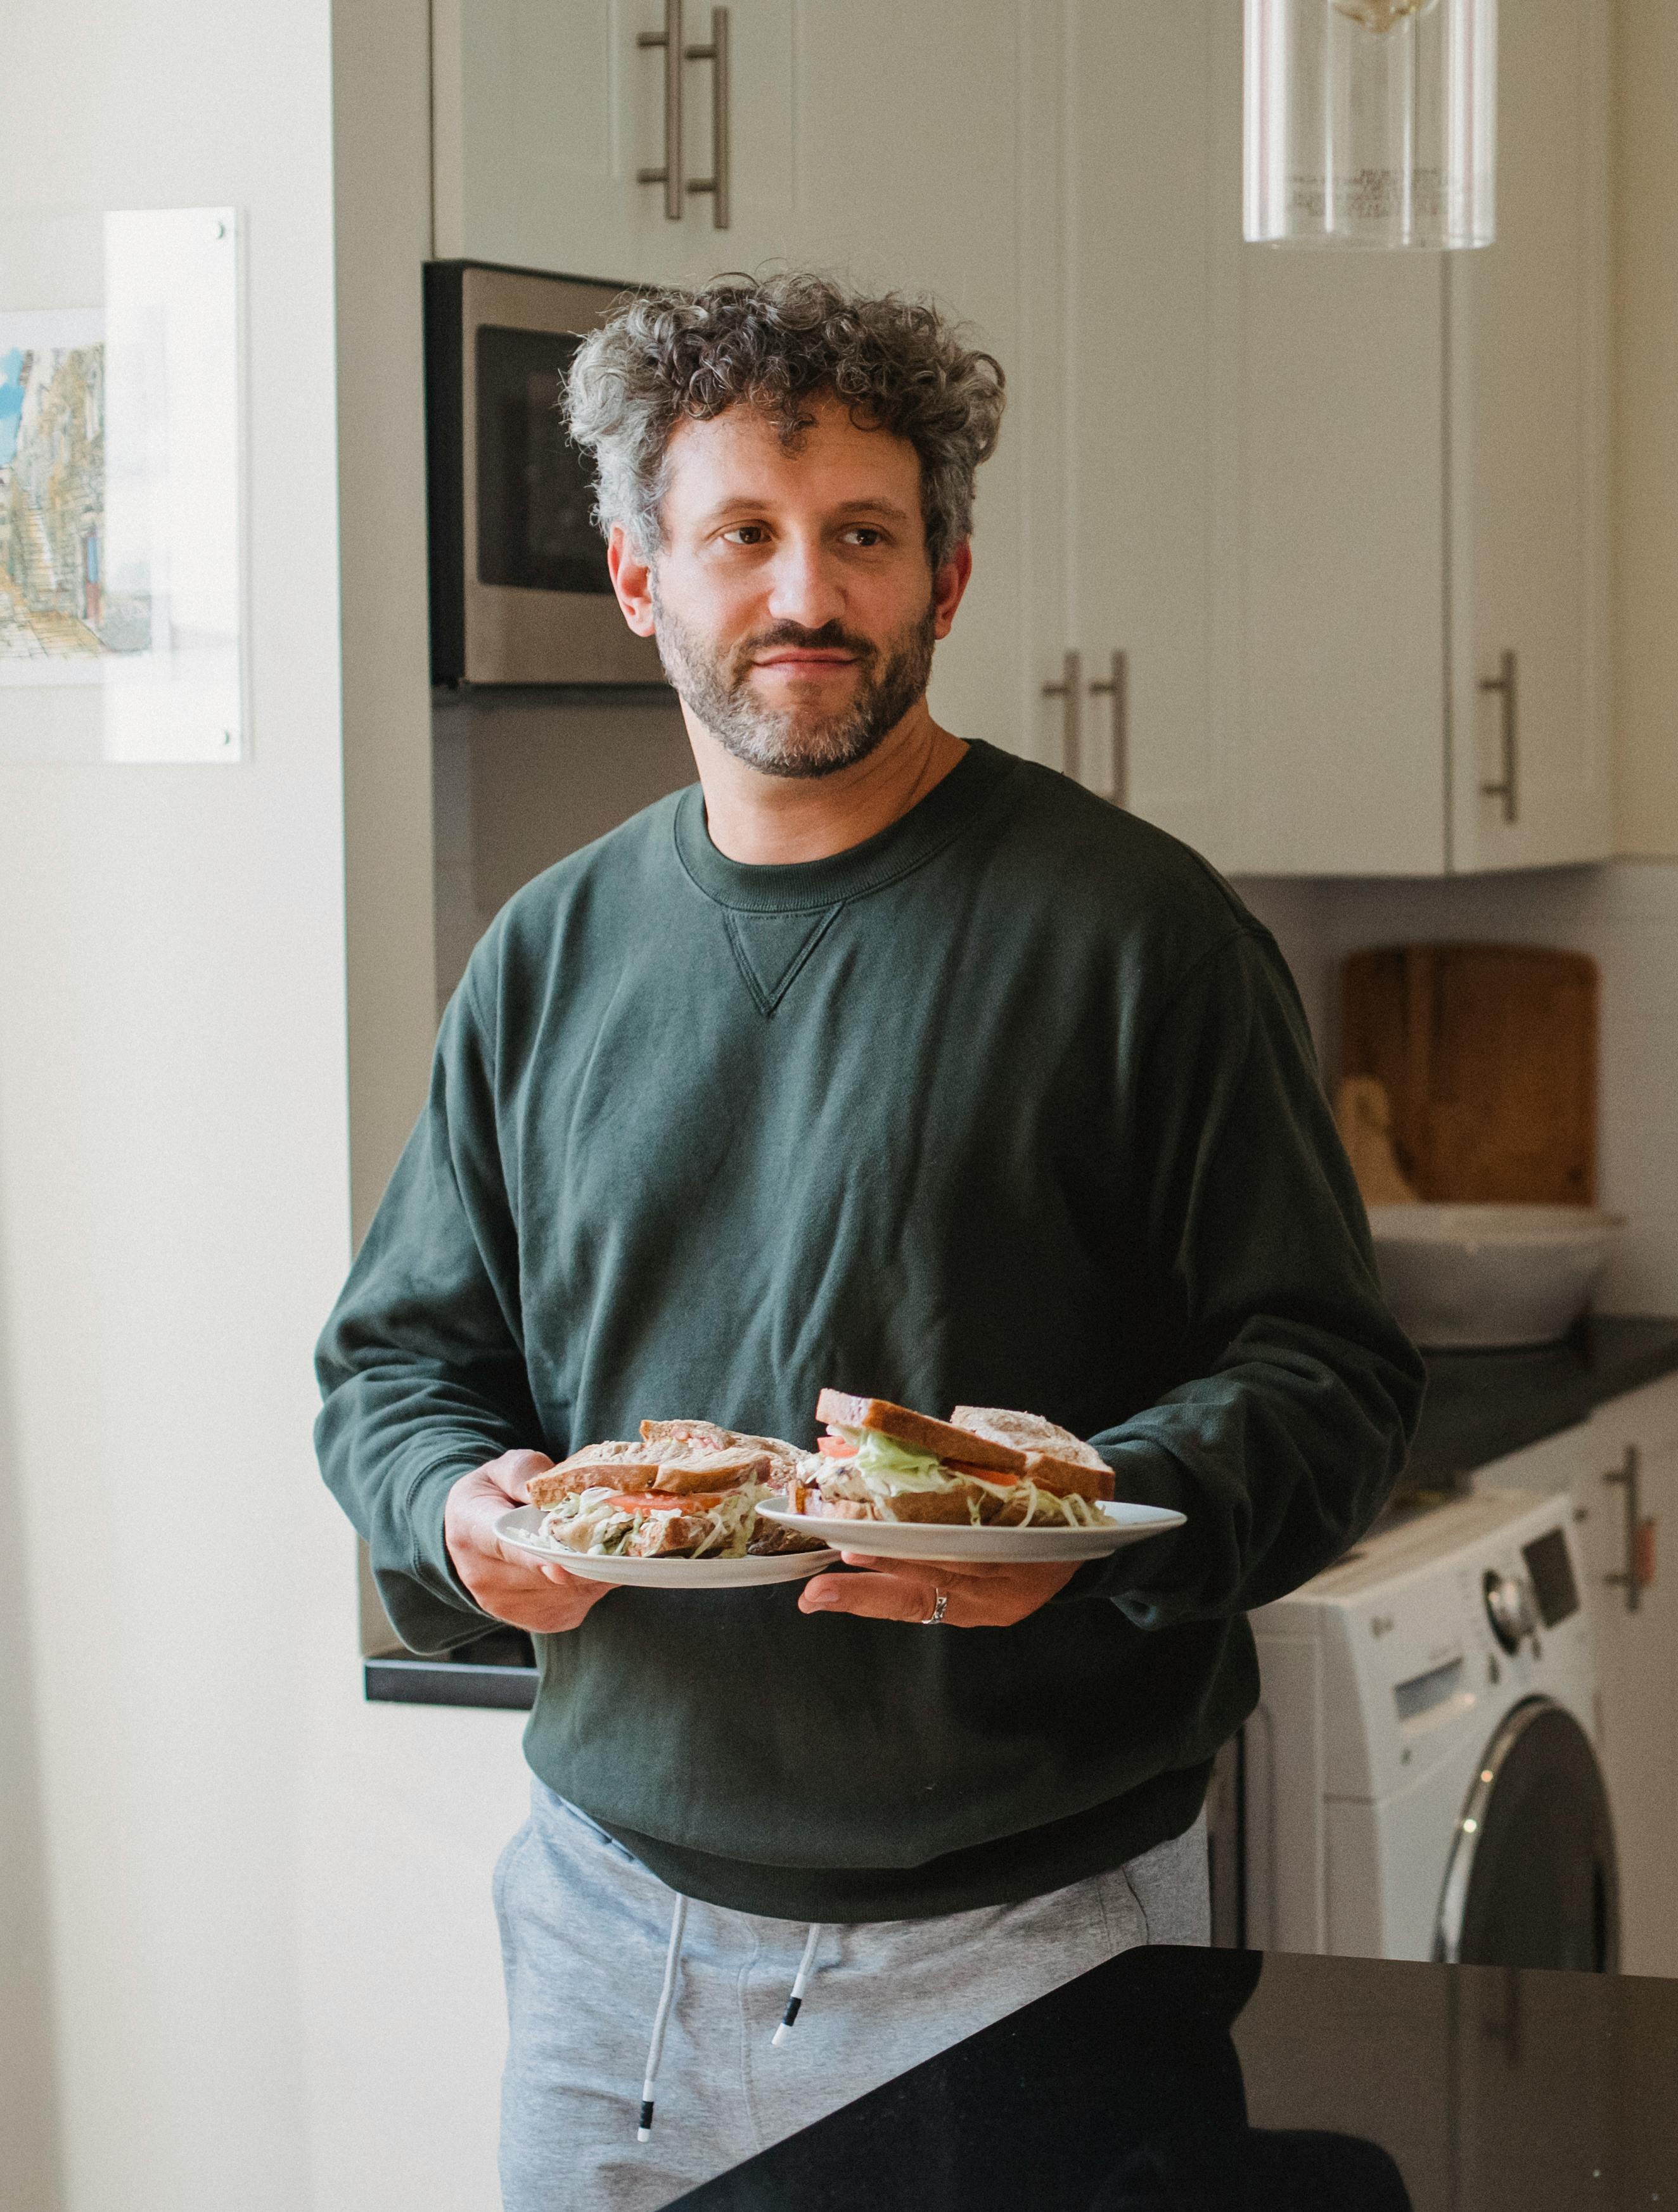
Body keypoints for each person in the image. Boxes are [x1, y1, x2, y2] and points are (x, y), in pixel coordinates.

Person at [314, 271, 1422, 2211]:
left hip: (1031, 1936)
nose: (806, 594)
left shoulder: (1140, 940)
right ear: (641, 578)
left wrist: (1080, 1525)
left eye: (863, 538)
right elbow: (397, 1367)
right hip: (611, 1951)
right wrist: (460, 1513)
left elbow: (1331, 1378)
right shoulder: (548, 958)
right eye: (743, 533)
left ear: (948, 579)